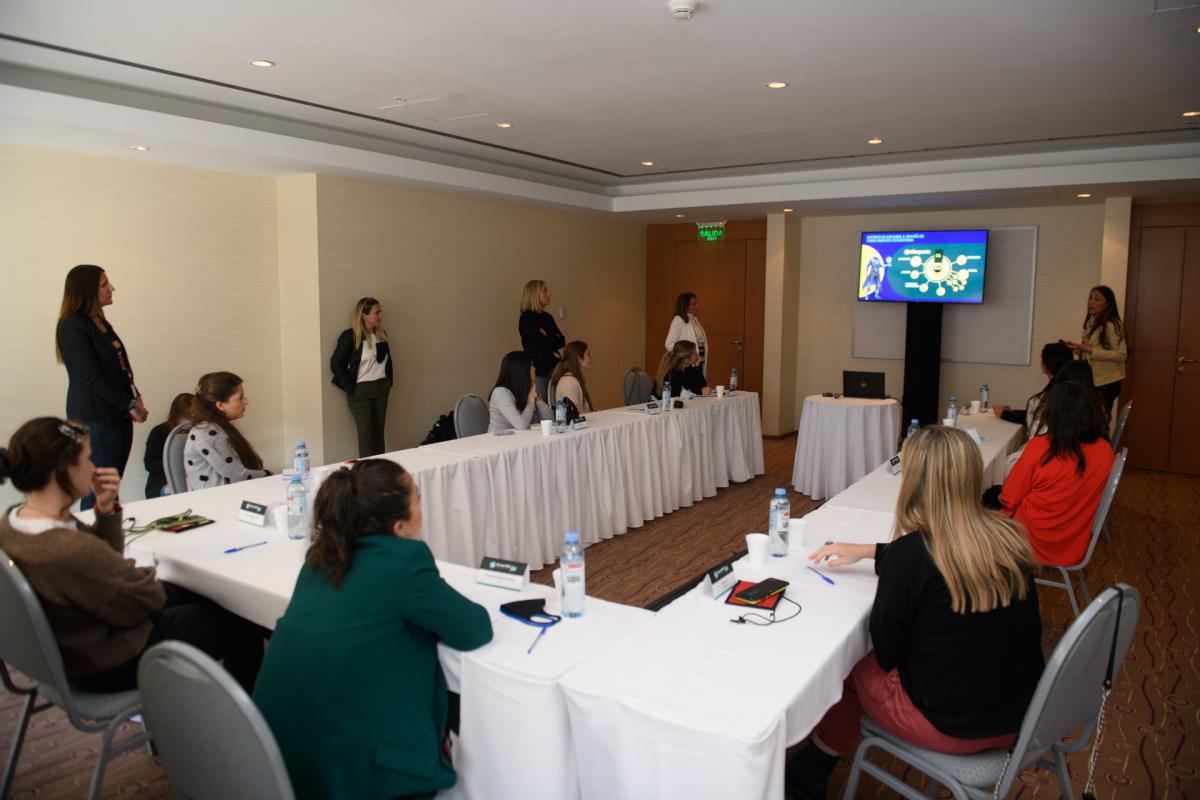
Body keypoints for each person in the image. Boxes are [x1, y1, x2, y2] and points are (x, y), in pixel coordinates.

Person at [785, 426, 1044, 800]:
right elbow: (942, 557)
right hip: (1020, 717)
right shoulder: (1008, 538)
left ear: (915, 483)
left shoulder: (912, 556)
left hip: (949, 727)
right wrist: (867, 551)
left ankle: (812, 768)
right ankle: (817, 759)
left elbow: (887, 653)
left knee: (849, 659)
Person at [253, 459, 493, 800]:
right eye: (418, 499)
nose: (422, 508)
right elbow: (472, 630)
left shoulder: (321, 556)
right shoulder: (402, 562)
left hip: (276, 757)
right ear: (399, 525)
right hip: (352, 770)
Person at [0, 417, 264, 693]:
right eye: (87, 459)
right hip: (107, 660)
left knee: (196, 595)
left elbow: (104, 560)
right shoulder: (68, 549)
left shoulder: (14, 522)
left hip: (74, 640)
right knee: (240, 622)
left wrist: (106, 509)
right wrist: (140, 574)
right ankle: (244, 708)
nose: (93, 468)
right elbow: (144, 599)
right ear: (64, 470)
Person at [54, 265, 148, 509]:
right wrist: (128, 404)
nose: (112, 288)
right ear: (86, 290)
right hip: (96, 419)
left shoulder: (100, 322)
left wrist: (135, 397)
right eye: (104, 284)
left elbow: (120, 367)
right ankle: (93, 533)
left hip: (118, 414)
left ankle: (106, 530)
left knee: (109, 489)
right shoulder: (72, 325)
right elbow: (91, 377)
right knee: (100, 491)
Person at [998, 380, 1114, 566]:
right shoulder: (1105, 451)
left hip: (1029, 539)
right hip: (1073, 544)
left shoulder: (1040, 447)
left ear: (1053, 413)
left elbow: (1008, 499)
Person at [330, 297, 393, 457]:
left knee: (378, 432)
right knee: (366, 435)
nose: (381, 316)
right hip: (360, 391)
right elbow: (336, 363)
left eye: (380, 312)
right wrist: (351, 388)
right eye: (377, 312)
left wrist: (388, 382)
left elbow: (386, 362)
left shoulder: (381, 335)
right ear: (364, 315)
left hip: (381, 389)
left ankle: (380, 467)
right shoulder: (350, 336)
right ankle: (367, 470)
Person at [185, 372, 268, 490]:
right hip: (217, 498)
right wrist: (267, 474)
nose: (246, 401)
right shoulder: (208, 433)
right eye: (240, 397)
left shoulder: (217, 427)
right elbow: (236, 476)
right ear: (220, 405)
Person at [1064, 285, 1126, 419]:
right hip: (1091, 379)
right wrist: (1078, 349)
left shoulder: (1112, 324)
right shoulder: (1090, 323)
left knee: (1098, 421)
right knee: (1088, 418)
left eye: (1097, 299)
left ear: (1108, 304)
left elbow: (1121, 355)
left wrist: (1090, 350)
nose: (1091, 302)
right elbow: (1092, 352)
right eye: (1090, 298)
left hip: (1106, 382)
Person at [991, 341, 1074, 432]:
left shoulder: (1054, 390)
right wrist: (1013, 411)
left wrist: (1004, 414)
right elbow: (1036, 412)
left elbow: (1036, 418)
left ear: (1044, 366)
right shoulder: (1069, 385)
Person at [518, 279, 566, 401]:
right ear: (535, 295)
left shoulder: (547, 317)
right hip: (538, 370)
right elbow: (538, 345)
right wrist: (550, 338)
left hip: (555, 368)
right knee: (542, 405)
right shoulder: (526, 318)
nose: (549, 294)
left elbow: (561, 340)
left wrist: (546, 336)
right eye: (544, 291)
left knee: (559, 403)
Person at [142, 392, 196, 498]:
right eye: (186, 416)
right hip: (163, 481)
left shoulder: (198, 432)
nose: (190, 420)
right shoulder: (159, 432)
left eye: (193, 416)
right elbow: (150, 464)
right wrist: (175, 461)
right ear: (176, 415)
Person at [488, 351, 553, 432]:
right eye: (531, 366)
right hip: (499, 438)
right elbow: (521, 425)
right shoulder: (500, 393)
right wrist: (530, 403)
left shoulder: (528, 389)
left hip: (521, 437)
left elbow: (550, 419)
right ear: (522, 370)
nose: (535, 369)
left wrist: (537, 398)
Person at [664, 292, 708, 375]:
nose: (697, 306)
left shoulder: (694, 319)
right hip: (687, 364)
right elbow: (669, 344)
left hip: (699, 360)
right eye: (693, 304)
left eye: (696, 303)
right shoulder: (678, 319)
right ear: (685, 306)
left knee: (699, 381)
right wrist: (686, 356)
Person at [551, 341, 595, 414]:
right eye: (588, 354)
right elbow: (573, 415)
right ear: (579, 359)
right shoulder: (569, 382)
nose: (591, 355)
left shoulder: (573, 379)